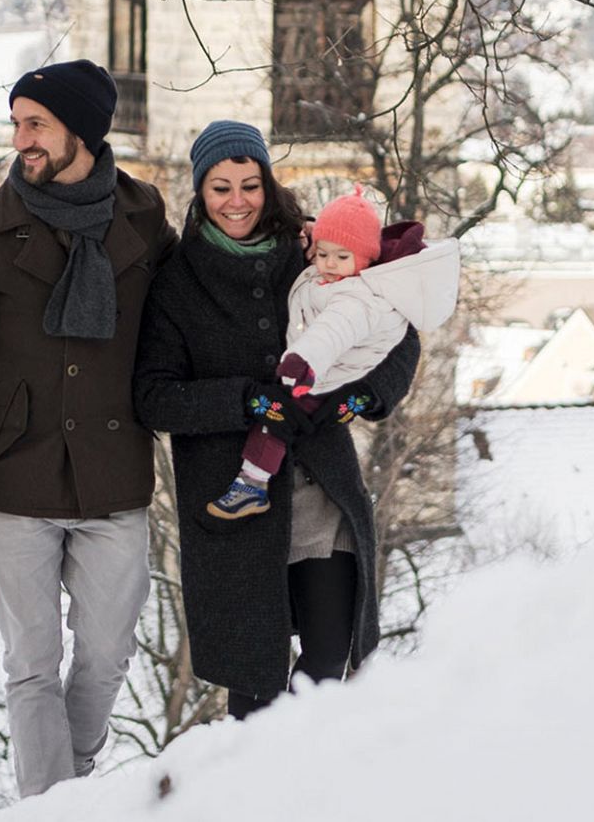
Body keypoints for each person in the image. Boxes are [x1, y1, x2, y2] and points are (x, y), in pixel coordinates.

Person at [0, 59, 177, 799]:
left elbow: (188, 318)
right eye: (17, 121)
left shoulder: (146, 219)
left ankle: (69, 793)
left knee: (106, 652)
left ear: (81, 131)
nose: (20, 138)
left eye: (36, 123)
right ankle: (52, 809)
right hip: (16, 477)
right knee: (31, 662)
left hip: (115, 474)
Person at [134, 120, 420, 718]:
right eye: (220, 188)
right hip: (236, 509)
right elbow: (154, 398)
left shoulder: (312, 254)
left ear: (267, 183)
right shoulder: (177, 282)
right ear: (199, 192)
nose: (237, 201)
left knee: (325, 677)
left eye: (249, 184)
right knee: (255, 698)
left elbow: (397, 330)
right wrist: (246, 400)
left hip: (321, 495)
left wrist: (361, 398)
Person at [207, 184, 459, 520]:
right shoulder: (328, 278)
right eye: (323, 253)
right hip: (317, 368)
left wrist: (303, 363)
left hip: (322, 374)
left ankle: (253, 483)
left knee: (274, 422)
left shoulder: (357, 298)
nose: (329, 263)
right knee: (277, 415)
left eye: (342, 257)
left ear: (365, 258)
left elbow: (331, 333)